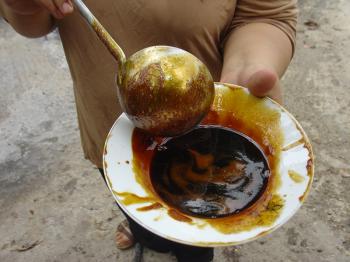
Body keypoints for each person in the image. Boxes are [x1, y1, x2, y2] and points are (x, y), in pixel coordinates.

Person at [0, 0, 297, 261]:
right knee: (134, 207)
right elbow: (36, 20)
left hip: (209, 126)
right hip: (106, 127)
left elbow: (266, 13)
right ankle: (145, 234)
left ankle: (193, 253)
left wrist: (249, 66)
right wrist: (21, 7)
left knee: (196, 227)